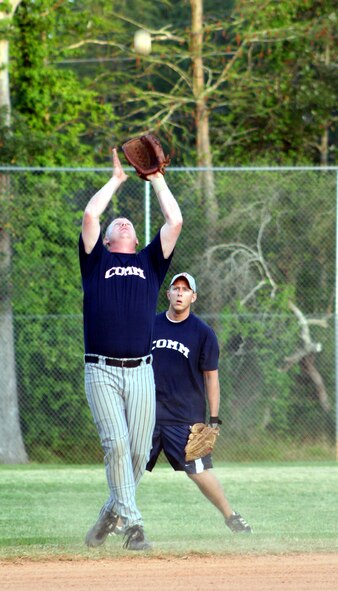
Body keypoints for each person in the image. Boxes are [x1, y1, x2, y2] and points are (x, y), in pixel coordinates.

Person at [79, 148, 183, 551]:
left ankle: (112, 511)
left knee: (138, 453)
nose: (122, 222)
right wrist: (118, 180)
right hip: (101, 369)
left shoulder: (149, 263)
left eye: (128, 224)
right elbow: (90, 216)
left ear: (138, 239)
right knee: (116, 444)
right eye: (115, 224)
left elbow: (175, 220)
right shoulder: (96, 262)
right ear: (106, 239)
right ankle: (134, 525)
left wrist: (156, 178)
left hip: (142, 370)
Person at [146, 272, 252, 535]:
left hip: (185, 417)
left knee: (198, 471)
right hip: (146, 412)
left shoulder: (203, 333)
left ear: (193, 296)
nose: (180, 293)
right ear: (168, 294)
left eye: (186, 289)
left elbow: (211, 378)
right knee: (129, 466)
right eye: (175, 288)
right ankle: (118, 518)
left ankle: (231, 517)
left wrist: (213, 419)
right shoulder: (150, 324)